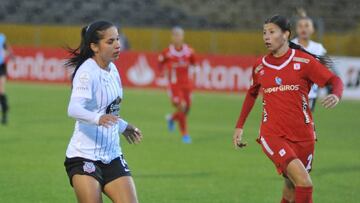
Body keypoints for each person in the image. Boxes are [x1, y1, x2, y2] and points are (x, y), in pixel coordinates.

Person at [232, 15, 343, 203]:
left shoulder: (304, 62)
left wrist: (335, 94)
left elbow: (335, 80)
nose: (266, 37)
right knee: (305, 183)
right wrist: (239, 126)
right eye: (264, 33)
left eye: (271, 32)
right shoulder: (260, 66)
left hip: (304, 135)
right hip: (273, 134)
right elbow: (251, 94)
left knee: (291, 187)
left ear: (286, 35)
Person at [64, 21, 143, 203]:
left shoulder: (113, 69)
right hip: (84, 156)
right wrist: (97, 118)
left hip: (112, 155)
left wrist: (123, 126)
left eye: (117, 39)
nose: (117, 45)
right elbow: (73, 109)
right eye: (110, 41)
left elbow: (108, 109)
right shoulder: (86, 72)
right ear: (94, 46)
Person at [158, 26, 196, 144]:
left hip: (187, 85)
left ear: (182, 37)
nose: (177, 38)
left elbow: (194, 65)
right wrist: (163, 71)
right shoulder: (167, 52)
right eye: (175, 35)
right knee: (182, 107)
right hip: (175, 85)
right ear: (172, 37)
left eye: (179, 35)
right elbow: (160, 63)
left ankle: (172, 118)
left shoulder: (189, 51)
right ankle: (185, 135)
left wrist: (193, 80)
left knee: (186, 109)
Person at [291, 10, 334, 112]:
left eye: (307, 26)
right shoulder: (290, 46)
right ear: (296, 29)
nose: (303, 29)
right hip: (291, 92)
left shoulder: (318, 48)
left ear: (313, 29)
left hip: (311, 94)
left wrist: (330, 88)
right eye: (300, 26)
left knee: (305, 123)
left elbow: (327, 70)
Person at [0, 33, 13, 125]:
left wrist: (8, 54)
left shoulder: (2, 38)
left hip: (1, 66)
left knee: (1, 90)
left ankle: (4, 115)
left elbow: (8, 49)